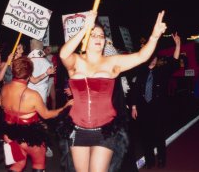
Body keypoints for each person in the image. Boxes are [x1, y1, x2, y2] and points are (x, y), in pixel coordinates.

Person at [59, 10, 167, 172]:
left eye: (101, 36)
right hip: (77, 129)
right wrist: (84, 28)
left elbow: (141, 57)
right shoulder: (75, 61)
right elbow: (63, 53)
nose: (98, 38)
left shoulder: (113, 62)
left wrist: (154, 36)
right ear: (86, 38)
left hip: (105, 130)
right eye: (93, 35)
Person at [0, 56, 73, 172]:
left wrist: (2, 106)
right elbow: (46, 115)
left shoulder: (5, 88)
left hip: (10, 136)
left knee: (17, 165)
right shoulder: (33, 95)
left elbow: (10, 109)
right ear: (29, 73)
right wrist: (65, 107)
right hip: (30, 139)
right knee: (38, 164)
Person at [130, 32, 181, 169]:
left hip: (158, 109)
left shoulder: (162, 72)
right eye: (150, 57)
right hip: (143, 109)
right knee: (146, 137)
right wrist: (134, 107)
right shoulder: (140, 72)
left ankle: (161, 160)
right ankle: (150, 161)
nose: (152, 60)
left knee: (159, 137)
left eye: (154, 58)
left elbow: (175, 62)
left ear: (157, 59)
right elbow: (134, 90)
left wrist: (178, 44)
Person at [27, 39, 56, 157]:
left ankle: (30, 146)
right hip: (42, 97)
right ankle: (46, 146)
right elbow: (49, 81)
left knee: (29, 121)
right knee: (42, 122)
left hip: (29, 97)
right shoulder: (48, 63)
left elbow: (31, 80)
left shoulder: (28, 62)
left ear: (31, 47)